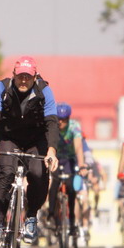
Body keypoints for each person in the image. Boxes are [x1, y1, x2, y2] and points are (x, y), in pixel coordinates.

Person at [0, 56, 59, 245]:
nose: (23, 80)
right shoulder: (0, 88)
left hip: (36, 140)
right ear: (14, 75)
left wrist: (51, 151)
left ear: (35, 77)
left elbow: (52, 121)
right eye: (20, 76)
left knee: (38, 173)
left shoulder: (44, 91)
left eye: (28, 77)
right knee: (5, 173)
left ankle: (31, 216)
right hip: (9, 138)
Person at [47, 102, 86, 238]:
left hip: (70, 160)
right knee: (54, 185)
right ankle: (51, 214)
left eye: (63, 120)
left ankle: (72, 222)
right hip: (56, 159)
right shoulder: (53, 126)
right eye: (59, 119)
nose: (60, 122)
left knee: (70, 187)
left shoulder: (74, 127)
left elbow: (78, 148)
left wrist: (81, 165)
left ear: (68, 119)